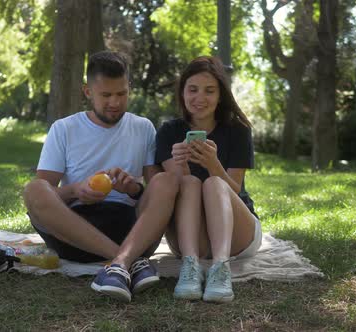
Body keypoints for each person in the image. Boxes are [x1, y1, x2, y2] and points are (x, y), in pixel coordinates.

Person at [23, 51, 178, 302]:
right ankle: (127, 262)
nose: (115, 102)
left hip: (131, 230)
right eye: (106, 95)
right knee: (34, 189)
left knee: (166, 180)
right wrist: (76, 191)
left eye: (121, 94)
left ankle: (119, 263)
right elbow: (46, 195)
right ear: (87, 92)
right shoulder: (64, 129)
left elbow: (154, 191)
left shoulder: (143, 127)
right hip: (75, 234)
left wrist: (133, 189)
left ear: (129, 88)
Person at [155, 56, 262, 303]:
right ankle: (190, 267)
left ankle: (221, 267)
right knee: (190, 183)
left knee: (214, 183)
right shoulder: (168, 132)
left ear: (220, 95)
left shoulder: (238, 130)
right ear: (182, 92)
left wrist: (213, 164)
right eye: (192, 89)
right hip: (193, 237)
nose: (200, 98)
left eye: (209, 91)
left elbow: (235, 190)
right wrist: (180, 165)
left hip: (237, 233)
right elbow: (175, 193)